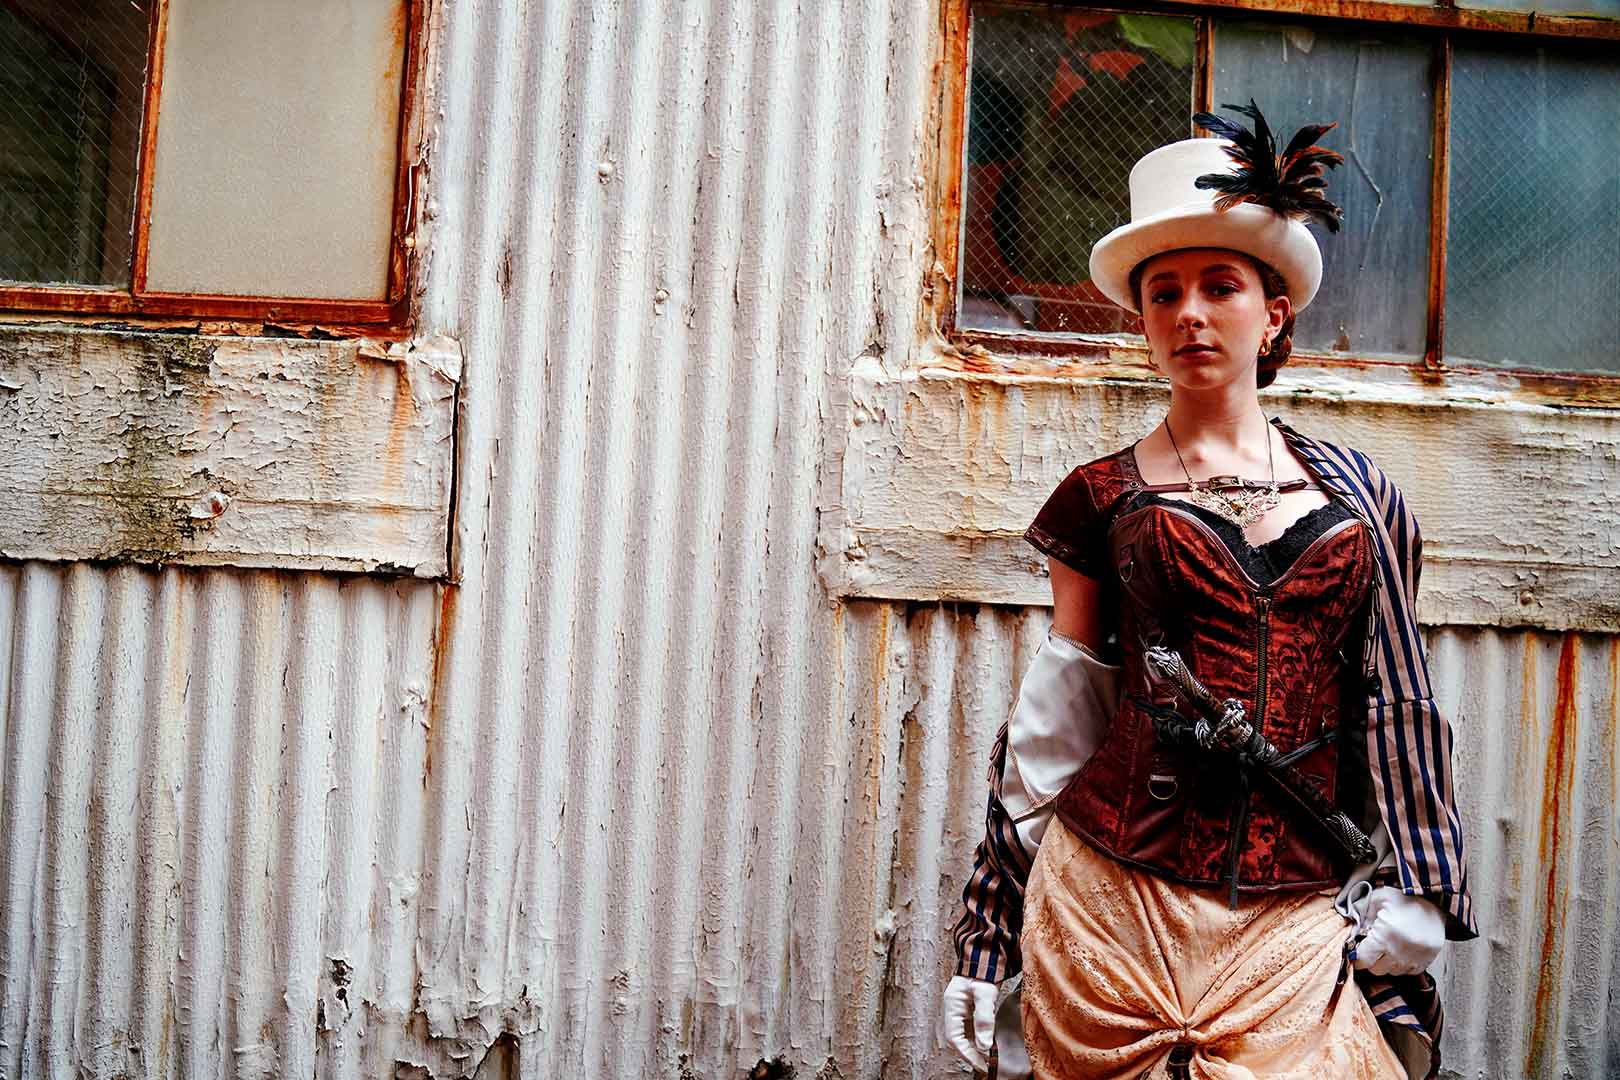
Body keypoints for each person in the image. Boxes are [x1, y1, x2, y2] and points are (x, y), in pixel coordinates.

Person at [941, 102, 1477, 1080]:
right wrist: (986, 934)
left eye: (1219, 285)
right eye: (1165, 293)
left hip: (1295, 919)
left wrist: (1425, 886)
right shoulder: (1099, 497)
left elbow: (1397, 701)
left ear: (1273, 313)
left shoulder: (1363, 497)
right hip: (1110, 910)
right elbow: (1057, 724)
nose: (1189, 311)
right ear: (1143, 320)